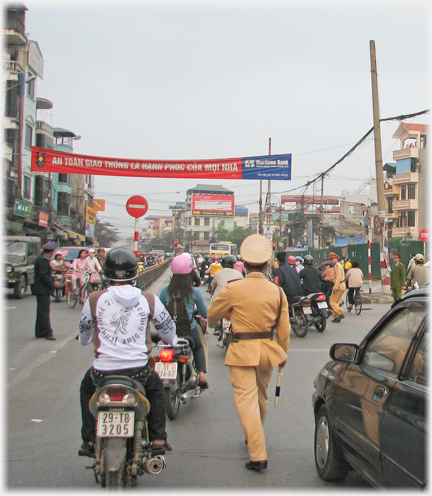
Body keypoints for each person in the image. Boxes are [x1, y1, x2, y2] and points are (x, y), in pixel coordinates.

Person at [78, 247, 177, 457]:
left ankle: (88, 440)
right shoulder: (148, 299)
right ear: (135, 273)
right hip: (138, 370)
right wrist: (171, 340)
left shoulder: (95, 299)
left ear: (106, 273)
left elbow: (84, 332)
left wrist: (86, 340)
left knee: (87, 390)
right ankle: (158, 437)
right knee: (157, 390)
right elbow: (167, 329)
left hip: (102, 372)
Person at [207, 234, 290, 472]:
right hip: (267, 350)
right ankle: (254, 434)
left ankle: (258, 454)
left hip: (242, 350)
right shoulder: (277, 292)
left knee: (247, 402)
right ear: (266, 265)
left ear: (243, 263)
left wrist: (216, 320)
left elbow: (212, 317)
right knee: (261, 397)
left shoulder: (234, 289)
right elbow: (284, 328)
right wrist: (282, 354)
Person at [159, 253, 209, 388]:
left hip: (169, 333)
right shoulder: (194, 292)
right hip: (189, 329)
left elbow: (159, 313)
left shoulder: (165, 292)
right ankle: (202, 375)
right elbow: (205, 312)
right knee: (198, 347)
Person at [33, 242, 61, 340]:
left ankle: (40, 331)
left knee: (41, 311)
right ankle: (47, 332)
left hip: (41, 289)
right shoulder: (42, 260)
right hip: (42, 289)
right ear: (52, 252)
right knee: (44, 311)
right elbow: (43, 275)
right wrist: (53, 283)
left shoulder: (42, 259)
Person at [329, 252, 346, 323]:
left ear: (336, 259)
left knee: (332, 302)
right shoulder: (337, 266)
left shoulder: (338, 266)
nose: (331, 260)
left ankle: (339, 312)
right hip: (341, 285)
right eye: (331, 259)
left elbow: (338, 278)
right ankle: (336, 317)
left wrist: (335, 287)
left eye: (333, 259)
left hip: (339, 285)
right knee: (337, 302)